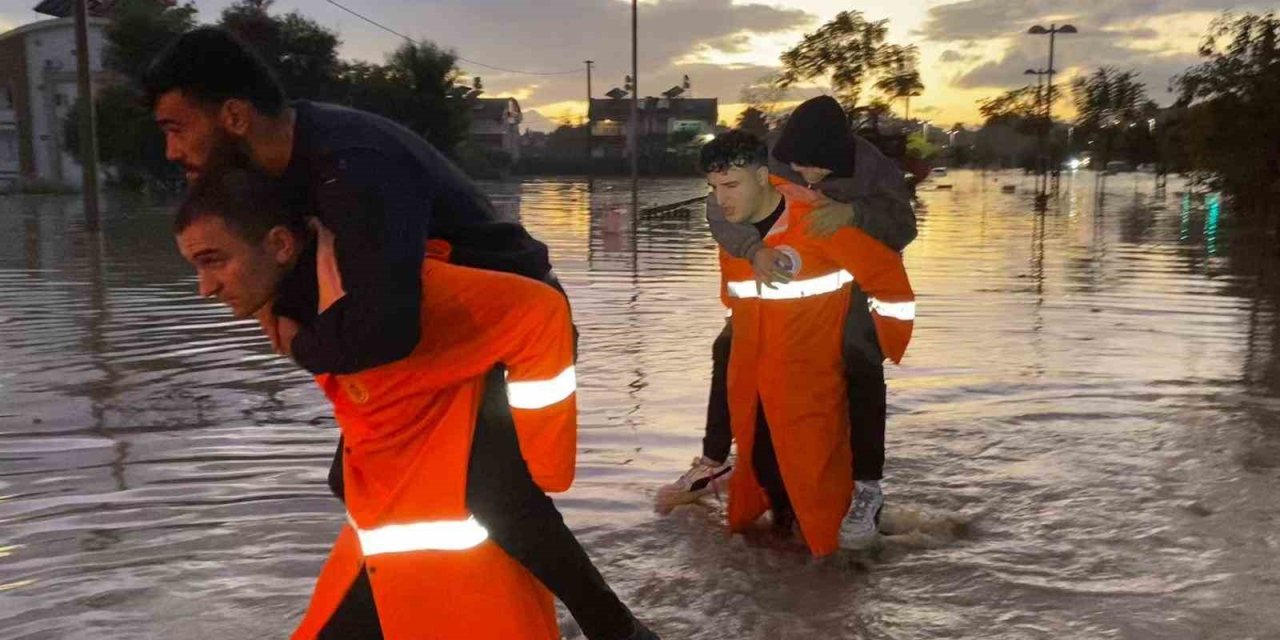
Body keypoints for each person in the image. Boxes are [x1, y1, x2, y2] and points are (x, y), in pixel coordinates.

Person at [147, 27, 653, 640]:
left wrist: (298, 341)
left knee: (493, 490)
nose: (171, 149)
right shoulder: (274, 165)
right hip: (426, 335)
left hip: (498, 328)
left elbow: (385, 330)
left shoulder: (353, 168)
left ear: (233, 115)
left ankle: (616, 630)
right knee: (353, 478)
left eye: (176, 127)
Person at [657, 96, 917, 548]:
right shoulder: (768, 158)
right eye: (800, 167)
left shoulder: (873, 168)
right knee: (729, 349)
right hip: (776, 276)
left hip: (847, 274)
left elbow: (904, 225)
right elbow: (720, 207)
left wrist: (853, 213)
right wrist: (753, 250)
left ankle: (867, 486)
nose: (809, 177)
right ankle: (716, 459)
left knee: (859, 358)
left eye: (820, 170)